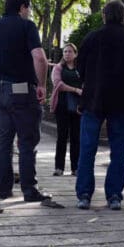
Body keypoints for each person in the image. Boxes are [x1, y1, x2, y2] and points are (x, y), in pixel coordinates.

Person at [74, 0, 124, 211]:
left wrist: (89, 84)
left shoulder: (92, 38)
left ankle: (84, 194)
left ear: (104, 15)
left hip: (93, 99)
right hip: (122, 102)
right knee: (119, 151)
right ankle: (114, 195)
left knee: (87, 149)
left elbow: (79, 67)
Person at [0, 0, 51, 202]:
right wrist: (42, 85)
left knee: (4, 141)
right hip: (21, 90)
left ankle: (4, 189)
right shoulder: (27, 26)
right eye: (29, 8)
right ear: (22, 7)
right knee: (26, 140)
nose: (29, 12)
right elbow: (40, 59)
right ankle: (29, 190)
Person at [50, 42, 82, 177]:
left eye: (70, 51)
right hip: (62, 105)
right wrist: (75, 89)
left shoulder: (80, 69)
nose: (67, 54)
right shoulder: (58, 68)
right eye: (65, 52)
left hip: (78, 107)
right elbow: (58, 84)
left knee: (76, 137)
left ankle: (76, 168)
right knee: (61, 137)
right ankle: (59, 167)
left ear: (75, 54)